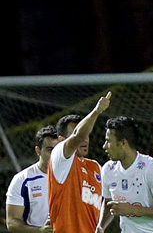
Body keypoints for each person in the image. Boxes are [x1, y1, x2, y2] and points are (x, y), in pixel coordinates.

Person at [96, 116, 153, 233]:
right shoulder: (108, 169)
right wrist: (101, 226)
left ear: (123, 143)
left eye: (108, 141)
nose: (104, 146)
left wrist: (132, 210)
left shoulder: (150, 168)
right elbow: (108, 204)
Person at [48, 92, 111, 233]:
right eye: (80, 134)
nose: (85, 139)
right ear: (61, 140)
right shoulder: (60, 157)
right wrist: (96, 111)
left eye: (88, 135)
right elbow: (79, 135)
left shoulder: (95, 167)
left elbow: (109, 201)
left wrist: (101, 226)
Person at [6, 125, 58, 233]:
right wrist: (39, 231)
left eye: (57, 150)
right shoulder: (22, 180)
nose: (54, 155)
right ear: (38, 150)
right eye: (50, 150)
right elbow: (11, 222)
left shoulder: (73, 175)